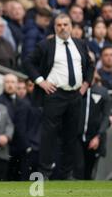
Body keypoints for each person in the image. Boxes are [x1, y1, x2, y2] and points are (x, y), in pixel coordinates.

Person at [23, 13, 94, 180]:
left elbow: (90, 65)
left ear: (71, 26)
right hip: (55, 95)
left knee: (71, 136)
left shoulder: (80, 44)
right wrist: (41, 81)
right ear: (55, 27)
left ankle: (66, 173)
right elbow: (27, 62)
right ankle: (45, 172)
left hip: (75, 95)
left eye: (66, 24)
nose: (63, 27)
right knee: (49, 135)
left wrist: (85, 84)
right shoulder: (46, 45)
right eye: (59, 25)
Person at [75, 71, 111, 180]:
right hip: (77, 137)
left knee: (90, 170)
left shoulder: (102, 92)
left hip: (94, 137)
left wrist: (98, 136)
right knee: (78, 167)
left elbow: (106, 117)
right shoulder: (77, 92)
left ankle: (86, 193)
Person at [0, 74, 31, 181]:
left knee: (21, 179)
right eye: (7, 82)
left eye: (12, 82)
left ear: (17, 84)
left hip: (21, 149)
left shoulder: (25, 104)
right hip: (4, 147)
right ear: (3, 84)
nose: (10, 85)